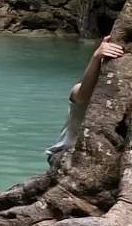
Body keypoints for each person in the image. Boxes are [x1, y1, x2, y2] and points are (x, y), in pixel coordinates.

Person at [48, 36, 124, 167]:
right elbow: (82, 95)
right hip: (64, 153)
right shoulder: (79, 90)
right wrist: (96, 57)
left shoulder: (122, 98)